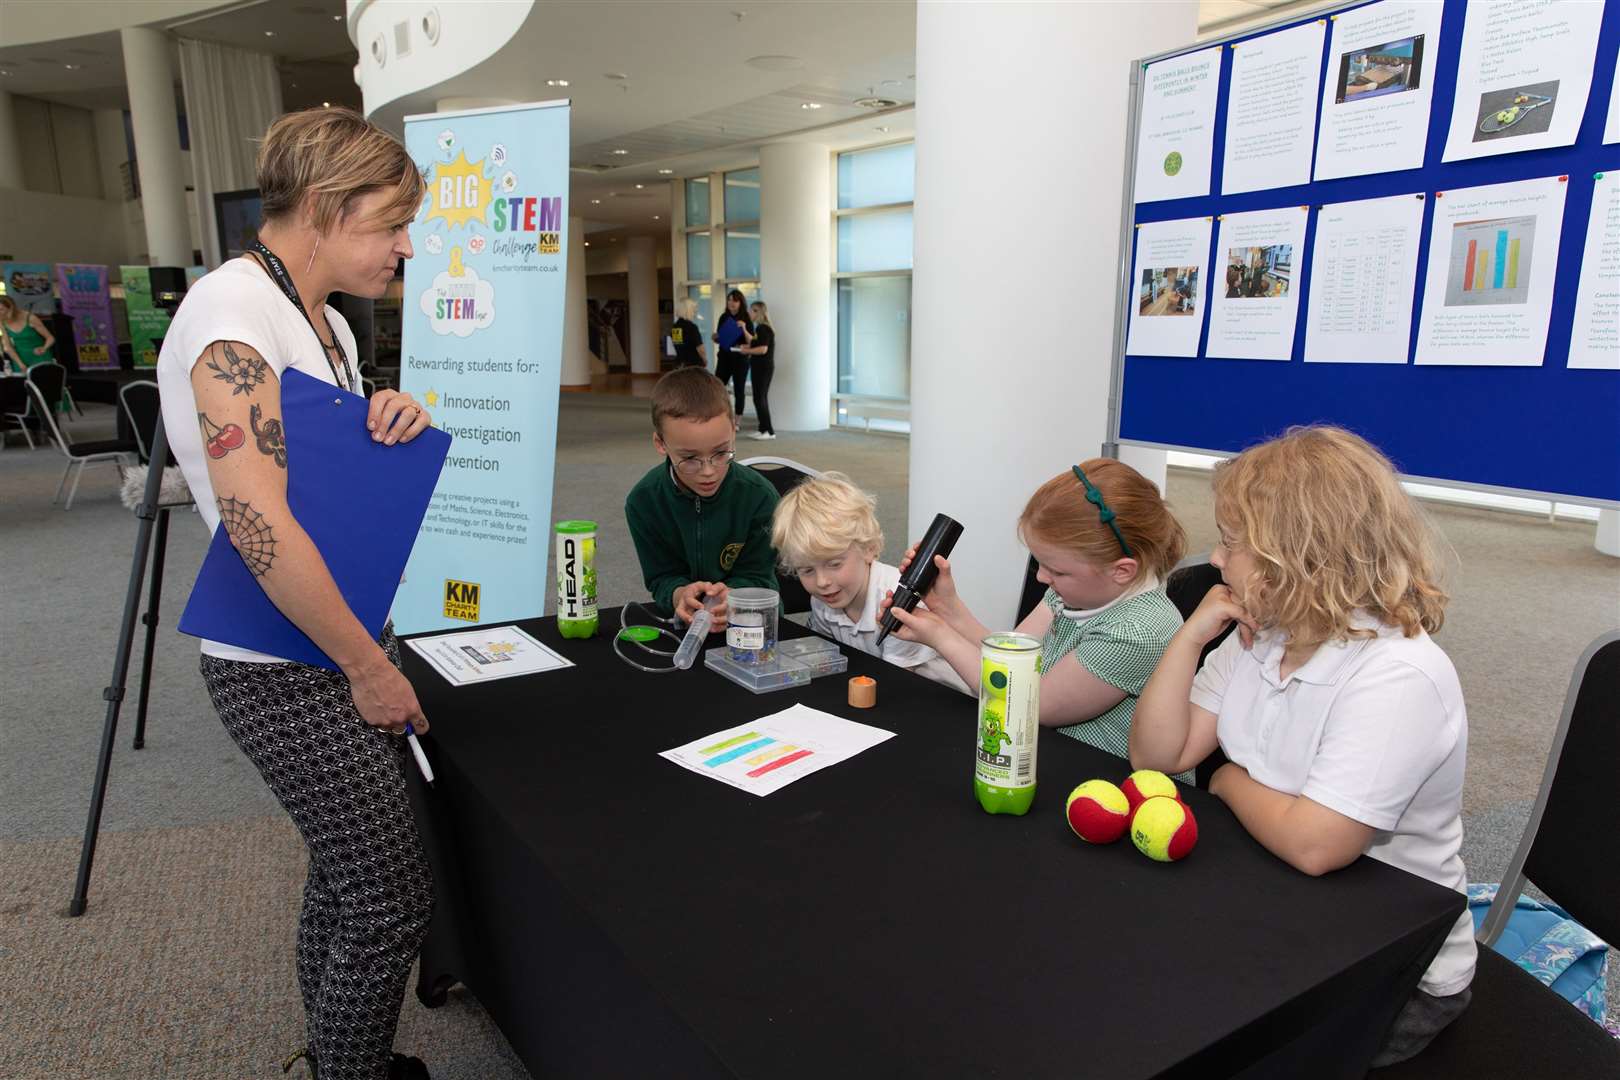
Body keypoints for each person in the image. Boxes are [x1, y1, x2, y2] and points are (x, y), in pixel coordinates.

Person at [155, 106, 436, 1080]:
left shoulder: (317, 320)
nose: (406, 246)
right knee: (388, 895)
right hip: (288, 667)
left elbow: (318, 463)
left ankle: (334, 1056)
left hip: (333, 640)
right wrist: (367, 668)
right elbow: (257, 525)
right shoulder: (233, 318)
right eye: (389, 222)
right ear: (321, 209)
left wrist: (381, 415)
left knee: (348, 875)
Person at [1127, 426, 1474, 1068]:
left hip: (1392, 963)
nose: (1216, 559)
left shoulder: (1398, 677)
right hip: (1276, 891)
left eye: (1231, 544)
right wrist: (1190, 637)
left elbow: (1316, 846)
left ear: (1299, 558)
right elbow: (1156, 757)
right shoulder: (1265, 633)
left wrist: (1226, 779)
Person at [881, 459, 1188, 773]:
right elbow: (1011, 655)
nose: (1041, 577)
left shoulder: (1136, 631)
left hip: (1105, 783)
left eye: (1056, 570)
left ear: (1121, 570)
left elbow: (1030, 705)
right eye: (1041, 564)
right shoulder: (1078, 589)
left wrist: (940, 636)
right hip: (1054, 756)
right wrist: (947, 608)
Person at [771, 472, 968, 693]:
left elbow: (897, 682)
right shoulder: (825, 598)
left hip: (939, 696)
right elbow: (824, 657)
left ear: (869, 549)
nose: (822, 582)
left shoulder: (896, 602)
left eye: (835, 564)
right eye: (807, 570)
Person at [624, 366, 780, 630]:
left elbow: (761, 578)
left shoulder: (760, 498)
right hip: (682, 628)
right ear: (660, 444)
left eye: (721, 453)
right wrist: (679, 594)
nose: (708, 472)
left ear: (733, 430)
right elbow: (661, 578)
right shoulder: (643, 502)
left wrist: (734, 596)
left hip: (749, 627)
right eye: (689, 458)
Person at [738, 300, 776, 439]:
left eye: (751, 310)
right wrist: (744, 330)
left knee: (760, 398)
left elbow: (762, 349)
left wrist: (747, 351)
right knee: (758, 398)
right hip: (759, 366)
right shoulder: (758, 329)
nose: (748, 313)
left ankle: (769, 431)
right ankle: (762, 429)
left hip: (763, 367)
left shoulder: (763, 328)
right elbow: (753, 342)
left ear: (757, 312)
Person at [711, 288, 752, 415]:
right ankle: (720, 414)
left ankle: (737, 420)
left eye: (734, 301)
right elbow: (720, 338)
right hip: (724, 357)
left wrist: (743, 328)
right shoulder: (724, 317)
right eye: (729, 300)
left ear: (740, 303)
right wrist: (716, 337)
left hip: (740, 359)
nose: (731, 303)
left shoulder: (746, 318)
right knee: (716, 387)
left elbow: (751, 341)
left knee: (739, 389)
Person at [1, 295, 57, 372]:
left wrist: (44, 348)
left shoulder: (30, 318)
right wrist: (20, 364)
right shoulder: (2, 322)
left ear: (11, 308)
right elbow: (8, 347)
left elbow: (50, 338)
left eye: (1, 309)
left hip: (39, 357)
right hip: (19, 359)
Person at [669, 297, 706, 368]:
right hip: (693, 364)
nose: (695, 311)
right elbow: (700, 348)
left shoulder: (675, 327)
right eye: (693, 309)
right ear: (688, 310)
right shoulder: (692, 327)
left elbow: (678, 345)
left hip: (680, 363)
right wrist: (704, 359)